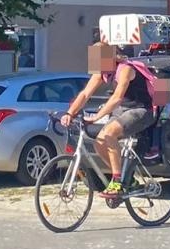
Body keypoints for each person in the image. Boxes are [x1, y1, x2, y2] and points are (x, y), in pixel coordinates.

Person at [61, 43, 154, 197]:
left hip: (141, 110)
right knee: (99, 143)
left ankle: (117, 182)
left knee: (110, 133)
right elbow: (85, 94)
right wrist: (70, 113)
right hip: (122, 111)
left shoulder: (125, 69)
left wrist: (97, 117)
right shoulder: (102, 73)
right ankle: (127, 180)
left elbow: (117, 98)